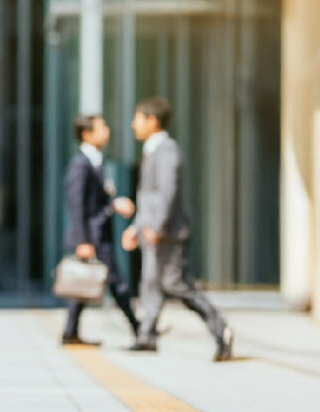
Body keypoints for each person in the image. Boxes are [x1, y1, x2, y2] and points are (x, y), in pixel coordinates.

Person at [122, 97, 234, 361]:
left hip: (167, 234)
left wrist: (158, 226)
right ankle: (147, 336)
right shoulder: (152, 150)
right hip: (152, 231)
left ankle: (220, 327)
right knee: (150, 283)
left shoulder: (167, 150)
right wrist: (136, 228)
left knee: (174, 284)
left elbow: (167, 191)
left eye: (137, 118)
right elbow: (147, 196)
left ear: (153, 121)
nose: (133, 124)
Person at [61, 114, 139, 346]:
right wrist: (82, 240)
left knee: (85, 284)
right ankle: (139, 328)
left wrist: (113, 204)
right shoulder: (81, 164)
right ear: (87, 134)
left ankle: (70, 331)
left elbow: (95, 203)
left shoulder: (96, 161)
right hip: (92, 237)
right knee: (116, 282)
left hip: (97, 234)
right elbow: (76, 203)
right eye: (102, 127)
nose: (107, 131)